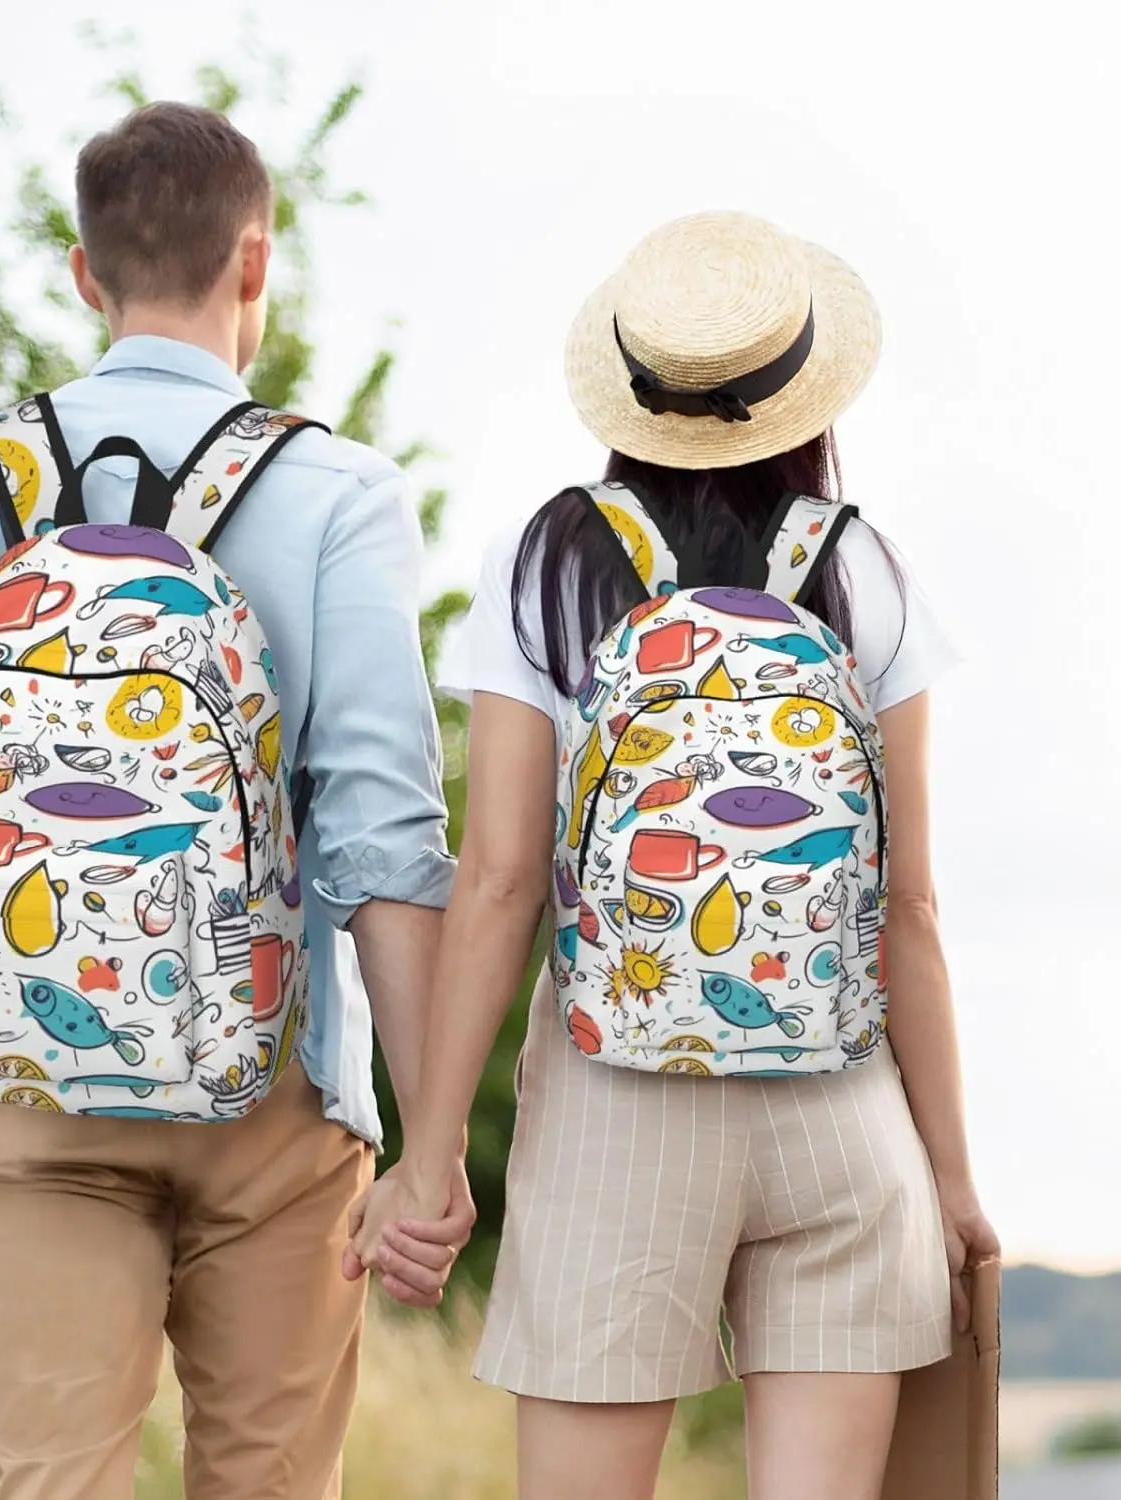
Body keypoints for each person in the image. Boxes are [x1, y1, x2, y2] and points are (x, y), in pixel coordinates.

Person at [0, 101, 475, 1500]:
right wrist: (432, 1144)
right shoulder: (337, 493)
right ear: (256, 265)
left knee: (56, 1482)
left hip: (26, 1088)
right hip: (277, 1095)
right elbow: (385, 849)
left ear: (84, 274)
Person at [346, 210, 999, 1500]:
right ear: (805, 394)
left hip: (616, 1106)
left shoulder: (548, 561)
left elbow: (500, 884)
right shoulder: (865, 567)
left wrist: (428, 1159)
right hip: (842, 1108)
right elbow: (910, 906)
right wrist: (954, 1180)